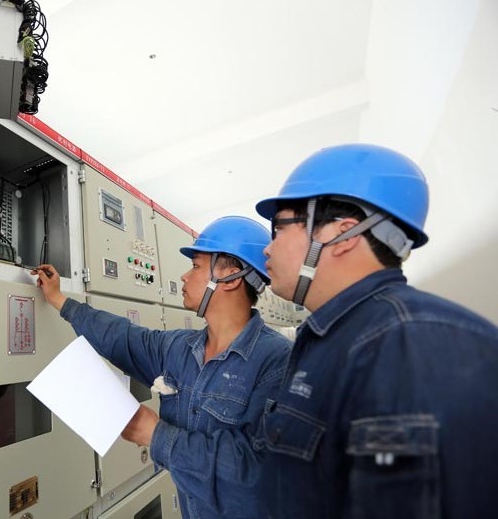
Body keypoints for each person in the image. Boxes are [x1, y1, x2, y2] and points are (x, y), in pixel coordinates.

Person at [254, 143, 498, 519]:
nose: (267, 249)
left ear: (341, 233)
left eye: (279, 228)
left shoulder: (413, 346)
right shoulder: (332, 337)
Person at [32, 216, 291, 519]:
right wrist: (60, 300)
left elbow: (259, 474)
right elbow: (121, 337)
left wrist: (155, 434)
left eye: (195, 266)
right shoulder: (179, 348)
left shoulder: (277, 361)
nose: (184, 276)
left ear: (230, 278)